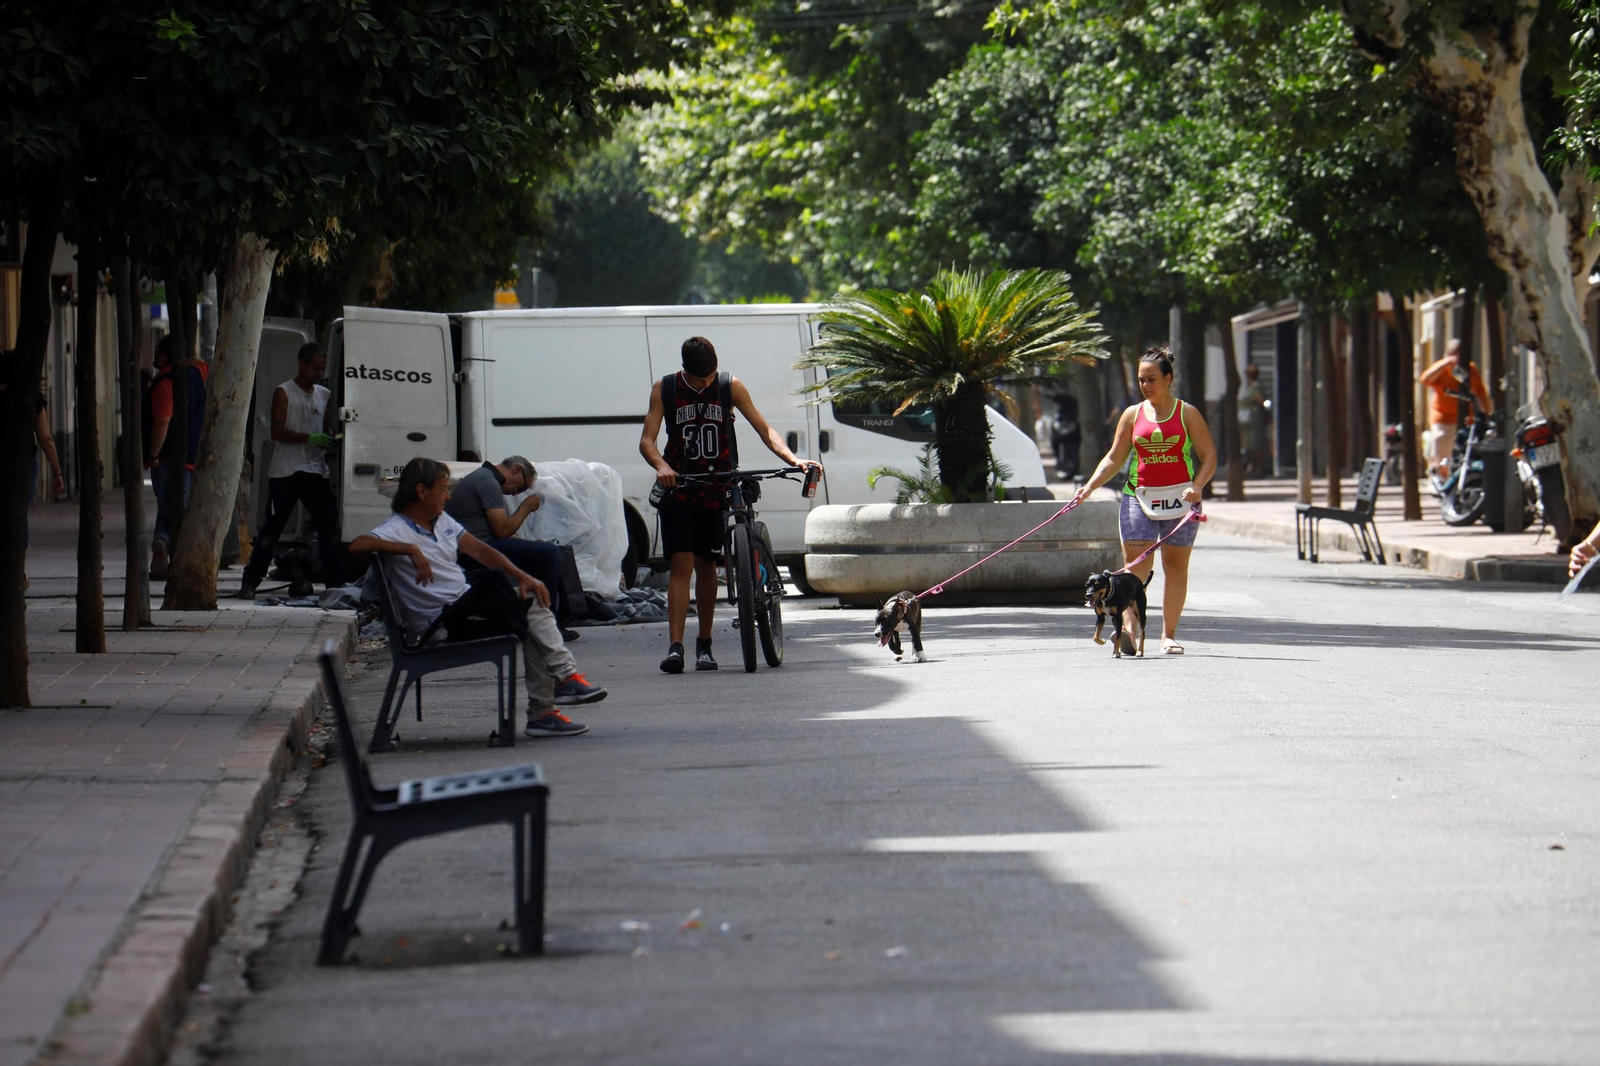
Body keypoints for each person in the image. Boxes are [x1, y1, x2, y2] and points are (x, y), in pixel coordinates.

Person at [349, 457, 607, 738]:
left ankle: (549, 704)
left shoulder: (442, 521)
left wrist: (523, 576)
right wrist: (410, 550)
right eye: (443, 489)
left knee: (531, 606)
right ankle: (557, 690)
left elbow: (483, 552)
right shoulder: (396, 529)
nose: (448, 496)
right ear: (422, 492)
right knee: (530, 609)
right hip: (444, 622)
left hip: (465, 609)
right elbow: (357, 545)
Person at [639, 335, 822, 674]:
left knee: (708, 564)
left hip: (715, 485)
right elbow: (647, 440)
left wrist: (793, 459)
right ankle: (675, 647)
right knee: (681, 565)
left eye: (710, 376)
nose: (706, 383)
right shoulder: (664, 389)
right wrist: (661, 466)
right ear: (684, 371)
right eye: (699, 379)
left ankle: (704, 646)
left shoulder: (729, 386)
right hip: (679, 486)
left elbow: (764, 429)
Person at [1070, 346, 1219, 656]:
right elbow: (1114, 457)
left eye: (1152, 379)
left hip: (1180, 501)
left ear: (1168, 378)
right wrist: (1089, 487)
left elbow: (1209, 457)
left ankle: (1168, 636)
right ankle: (1126, 630)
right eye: (1141, 380)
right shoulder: (1132, 414)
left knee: (1175, 568)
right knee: (1134, 571)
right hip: (1138, 499)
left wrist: (1198, 485)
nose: (1145, 386)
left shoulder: (1186, 413)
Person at [238, 342, 343, 599]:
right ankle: (250, 582)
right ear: (301, 364)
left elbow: (326, 428)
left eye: (322, 369)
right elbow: (277, 431)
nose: (319, 373)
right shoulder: (284, 392)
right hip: (285, 472)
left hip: (315, 470)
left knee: (328, 529)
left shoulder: (324, 395)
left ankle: (335, 586)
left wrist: (329, 439)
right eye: (315, 368)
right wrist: (311, 438)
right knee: (271, 531)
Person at [444, 455, 581, 640]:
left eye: (522, 491)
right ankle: (546, 625)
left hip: (481, 545)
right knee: (549, 553)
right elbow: (502, 530)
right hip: (475, 551)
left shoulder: (485, 478)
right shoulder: (487, 482)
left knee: (547, 550)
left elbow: (501, 530)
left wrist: (529, 545)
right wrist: (526, 506)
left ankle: (547, 619)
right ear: (517, 469)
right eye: (522, 487)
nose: (516, 493)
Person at [144, 334, 209, 579]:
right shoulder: (196, 374)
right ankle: (162, 552)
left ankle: (164, 545)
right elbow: (201, 362)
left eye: (157, 354)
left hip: (168, 458)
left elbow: (162, 420)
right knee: (173, 506)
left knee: (171, 507)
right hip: (190, 456)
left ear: (163, 356)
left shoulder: (165, 382)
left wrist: (153, 454)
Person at [1419, 338, 1491, 480]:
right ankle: (1440, 477)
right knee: (1440, 452)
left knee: (1462, 452)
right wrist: (1446, 363)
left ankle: (1457, 479)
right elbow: (1425, 379)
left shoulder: (1470, 370)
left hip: (1465, 419)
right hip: (1442, 418)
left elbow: (1481, 394)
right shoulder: (1442, 368)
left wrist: (1486, 414)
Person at [1236, 363, 1270, 477]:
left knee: (1256, 445)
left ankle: (1258, 469)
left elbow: (1261, 401)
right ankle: (1253, 467)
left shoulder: (1256, 387)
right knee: (1250, 445)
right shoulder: (1251, 387)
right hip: (1248, 422)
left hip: (1254, 421)